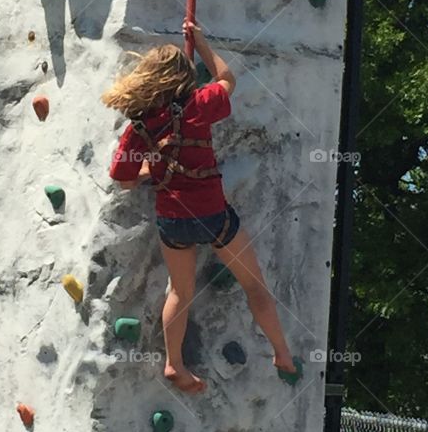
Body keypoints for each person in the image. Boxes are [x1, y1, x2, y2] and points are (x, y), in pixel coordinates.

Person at [103, 22, 296, 394]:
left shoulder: (138, 127)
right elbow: (227, 80)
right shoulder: (198, 105)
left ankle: (174, 363)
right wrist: (201, 41)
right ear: (182, 78)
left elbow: (123, 180)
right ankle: (281, 352)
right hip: (212, 214)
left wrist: (153, 169)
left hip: (173, 218)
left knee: (179, 291)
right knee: (254, 286)